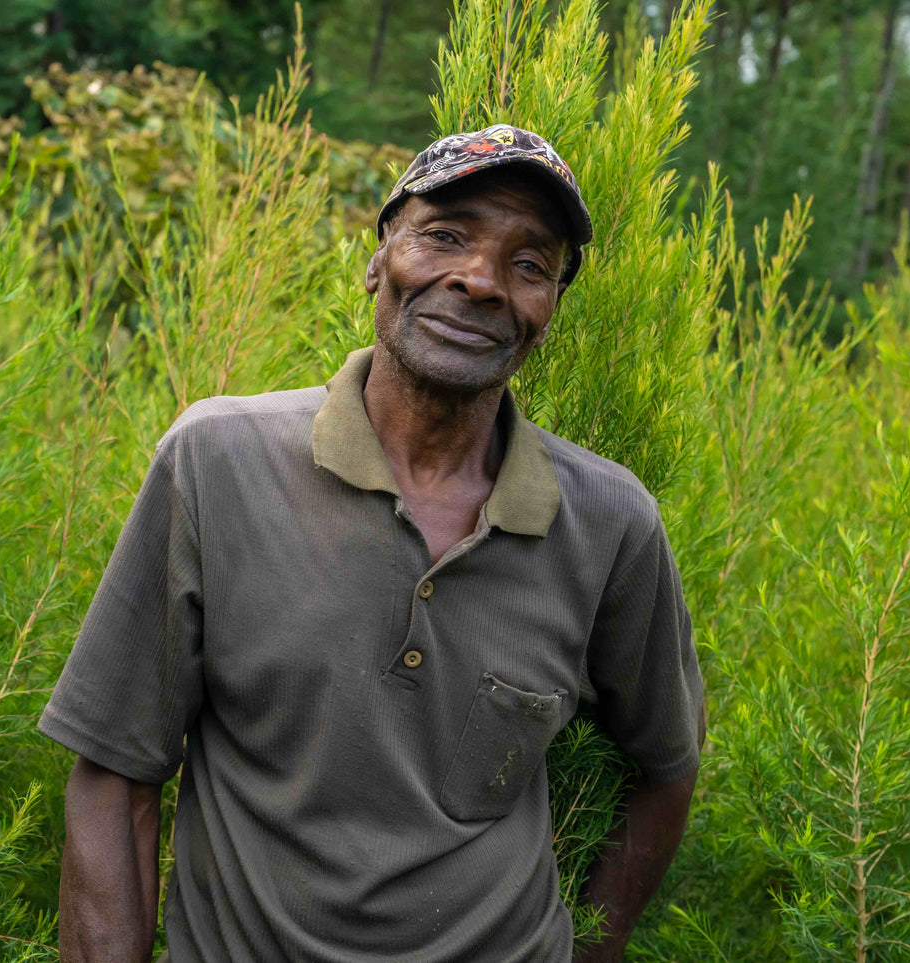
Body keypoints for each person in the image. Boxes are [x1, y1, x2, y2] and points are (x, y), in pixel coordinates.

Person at [39, 124, 705, 963]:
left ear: (548, 316)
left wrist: (590, 951)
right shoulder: (216, 462)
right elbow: (112, 774)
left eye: (529, 265)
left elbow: (666, 766)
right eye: (445, 235)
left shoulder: (609, 522)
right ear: (378, 256)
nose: (480, 279)